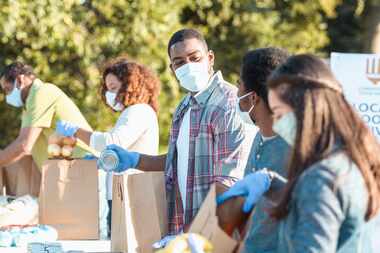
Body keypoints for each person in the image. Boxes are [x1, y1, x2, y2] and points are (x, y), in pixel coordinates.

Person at [219, 54, 380, 252]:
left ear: (305, 108)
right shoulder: (350, 158)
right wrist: (274, 184)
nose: (276, 124)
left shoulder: (322, 177)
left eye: (279, 113)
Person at [102, 28, 251, 235]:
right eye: (180, 62)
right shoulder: (183, 107)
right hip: (187, 228)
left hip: (217, 234)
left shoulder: (228, 104)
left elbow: (228, 184)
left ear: (210, 58)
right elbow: (176, 161)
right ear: (172, 69)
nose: (188, 66)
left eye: (194, 58)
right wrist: (136, 160)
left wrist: (191, 233)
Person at [55, 58, 160, 234]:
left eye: (113, 87)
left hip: (132, 192)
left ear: (129, 84)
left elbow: (113, 142)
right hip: (123, 191)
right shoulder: (132, 112)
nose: (109, 94)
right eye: (107, 89)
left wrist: (76, 131)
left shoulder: (139, 111)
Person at [221, 47, 290, 253]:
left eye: (239, 84)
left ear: (253, 97)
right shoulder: (259, 137)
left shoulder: (297, 149)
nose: (236, 92)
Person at [0, 61, 92, 170]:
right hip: (69, 168)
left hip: (82, 163)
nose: (7, 96)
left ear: (20, 80)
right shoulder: (29, 104)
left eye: (8, 89)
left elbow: (24, 145)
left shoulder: (41, 93)